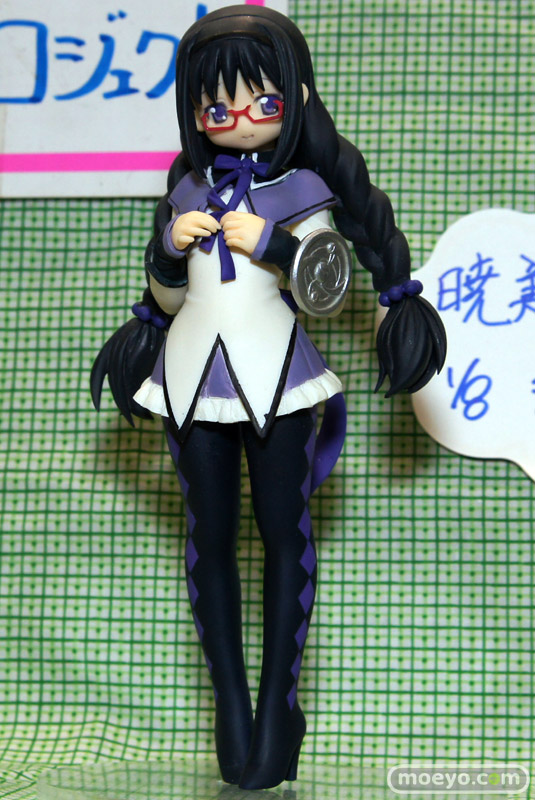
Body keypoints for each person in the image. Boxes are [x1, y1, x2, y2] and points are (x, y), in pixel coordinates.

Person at [91, 5, 446, 790]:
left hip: (276, 376)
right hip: (191, 379)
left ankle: (279, 713)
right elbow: (169, 300)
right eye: (215, 108)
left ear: (295, 98)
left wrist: (276, 244)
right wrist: (168, 250)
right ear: (194, 113)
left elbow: (328, 288)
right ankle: (230, 707)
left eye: (263, 102)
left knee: (284, 536)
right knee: (207, 539)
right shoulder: (187, 186)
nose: (239, 119)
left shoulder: (303, 186)